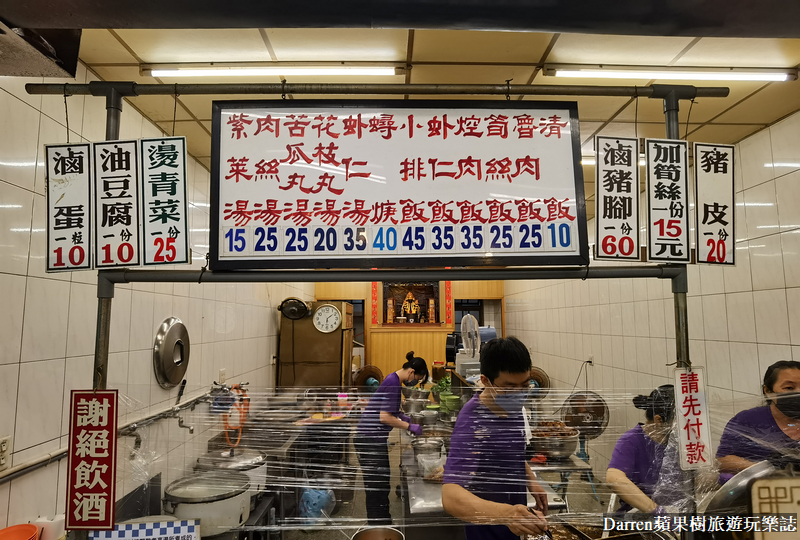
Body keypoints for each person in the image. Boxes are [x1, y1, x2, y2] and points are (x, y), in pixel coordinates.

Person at [442, 337, 549, 540]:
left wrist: (531, 481)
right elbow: (450, 497)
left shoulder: (514, 408)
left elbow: (513, 452)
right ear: (485, 381)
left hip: (516, 528)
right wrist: (508, 515)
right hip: (488, 531)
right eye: (509, 387)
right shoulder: (472, 421)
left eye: (525, 385)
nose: (518, 394)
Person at [355, 351, 428, 525]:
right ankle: (378, 526)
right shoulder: (394, 383)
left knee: (380, 484)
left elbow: (390, 410)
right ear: (411, 372)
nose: (415, 383)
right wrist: (409, 426)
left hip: (372, 439)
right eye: (417, 379)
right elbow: (384, 417)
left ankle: (382, 522)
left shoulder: (393, 379)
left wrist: (403, 417)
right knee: (376, 487)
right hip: (369, 440)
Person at [716, 360, 800, 478]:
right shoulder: (747, 421)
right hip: (757, 492)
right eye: (789, 388)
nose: (797, 393)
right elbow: (723, 461)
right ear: (768, 391)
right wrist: (768, 471)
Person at [606, 385, 676, 513]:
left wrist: (721, 478)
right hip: (639, 517)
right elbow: (613, 478)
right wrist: (656, 511)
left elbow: (694, 478)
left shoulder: (677, 443)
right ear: (659, 420)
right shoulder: (631, 441)